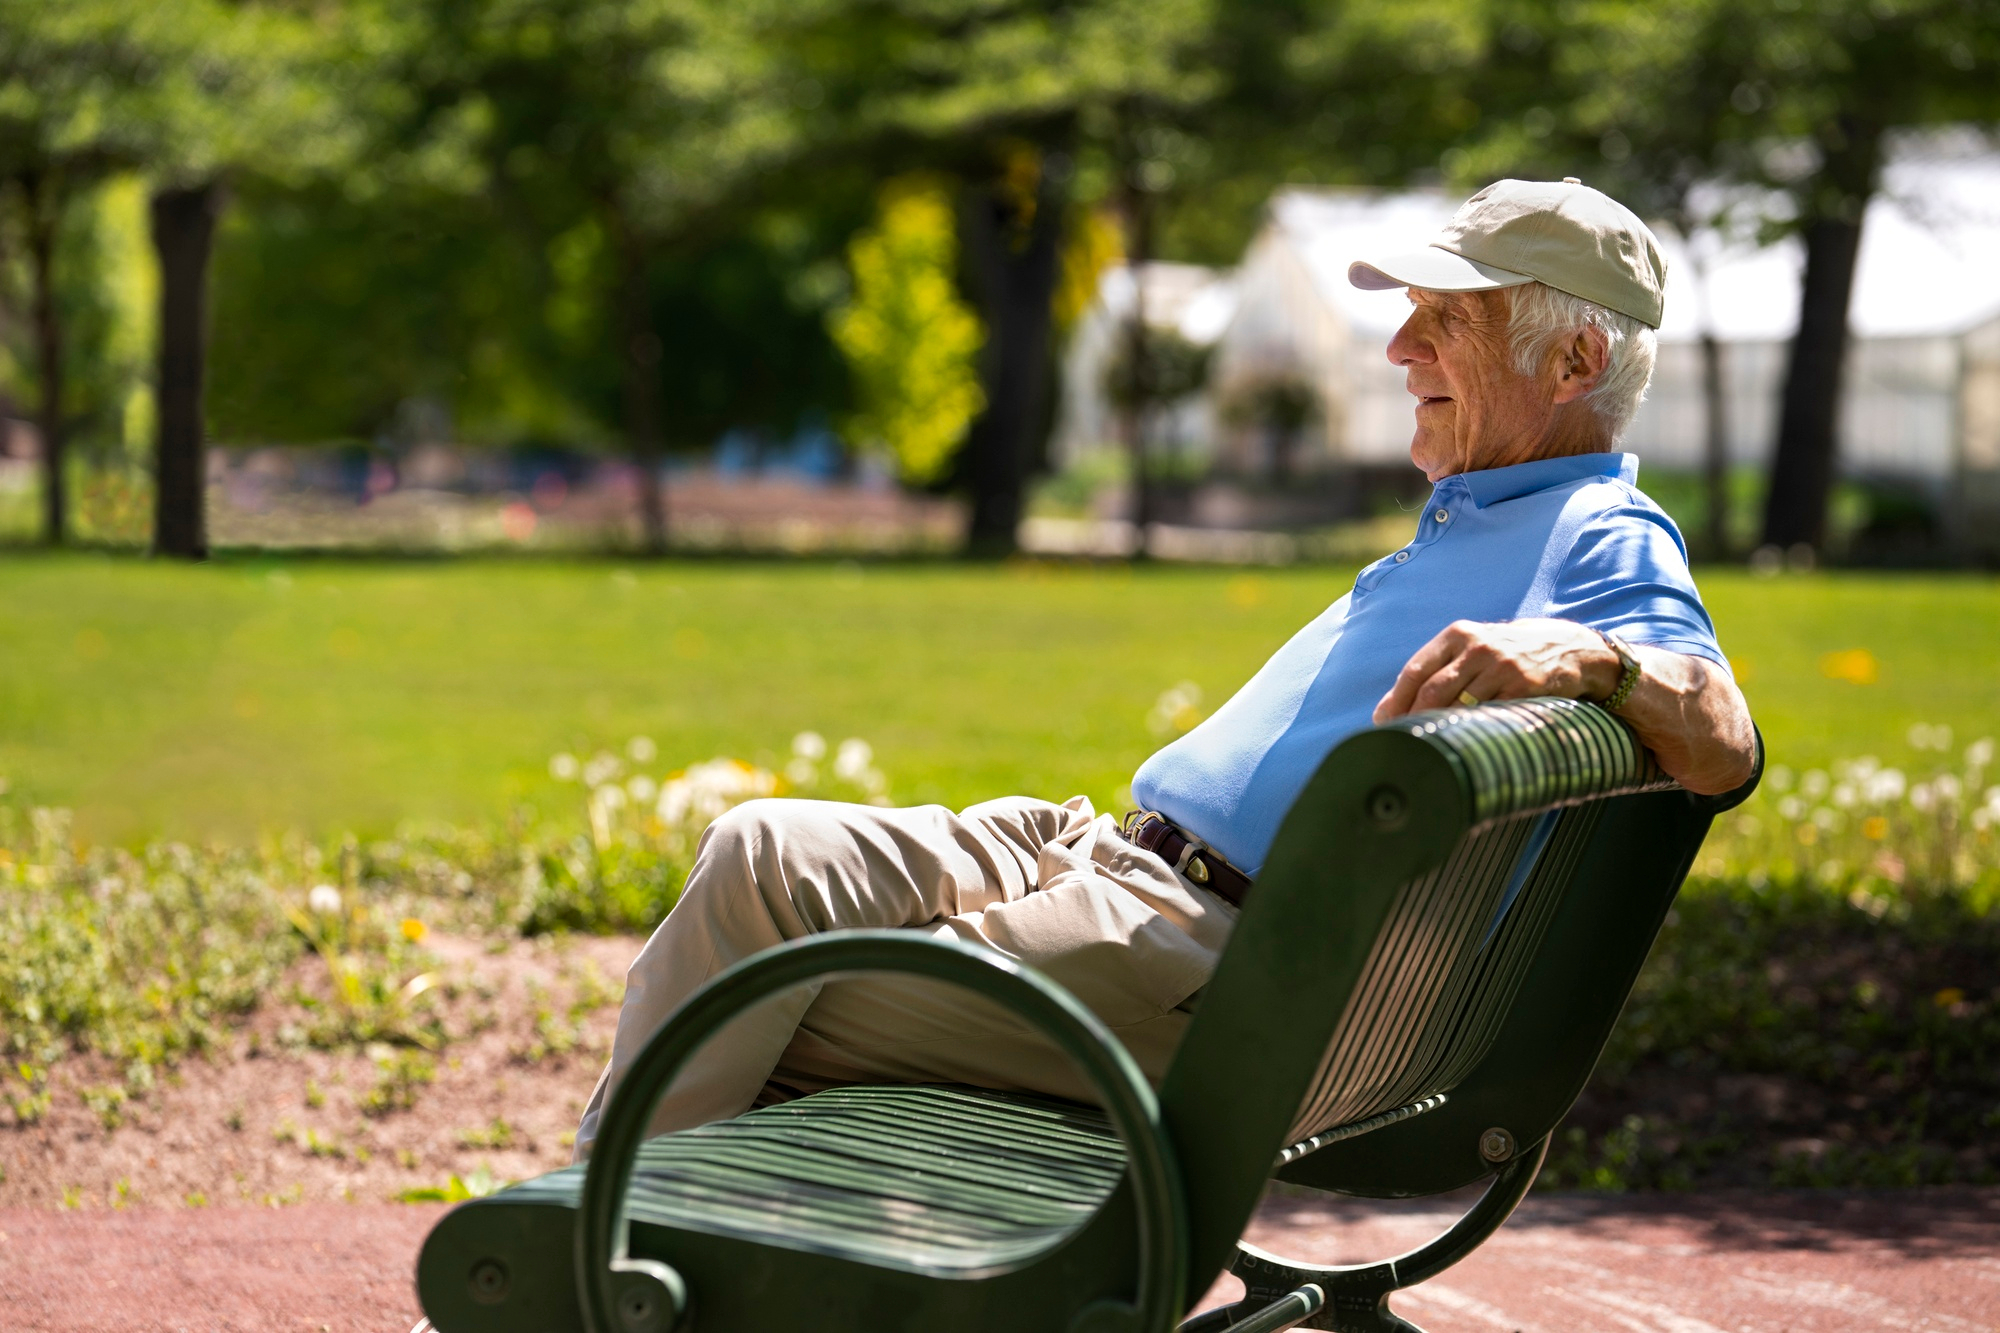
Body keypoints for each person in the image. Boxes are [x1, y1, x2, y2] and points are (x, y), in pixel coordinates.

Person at [572, 178, 1758, 1157]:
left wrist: (1591, 655)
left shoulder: (1599, 534)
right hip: (1102, 860)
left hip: (1195, 964)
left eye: (1445, 322)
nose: (1398, 348)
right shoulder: (1493, 512)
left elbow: (1723, 740)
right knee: (762, 853)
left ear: (1574, 361)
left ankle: (585, 1270)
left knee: (751, 1001)